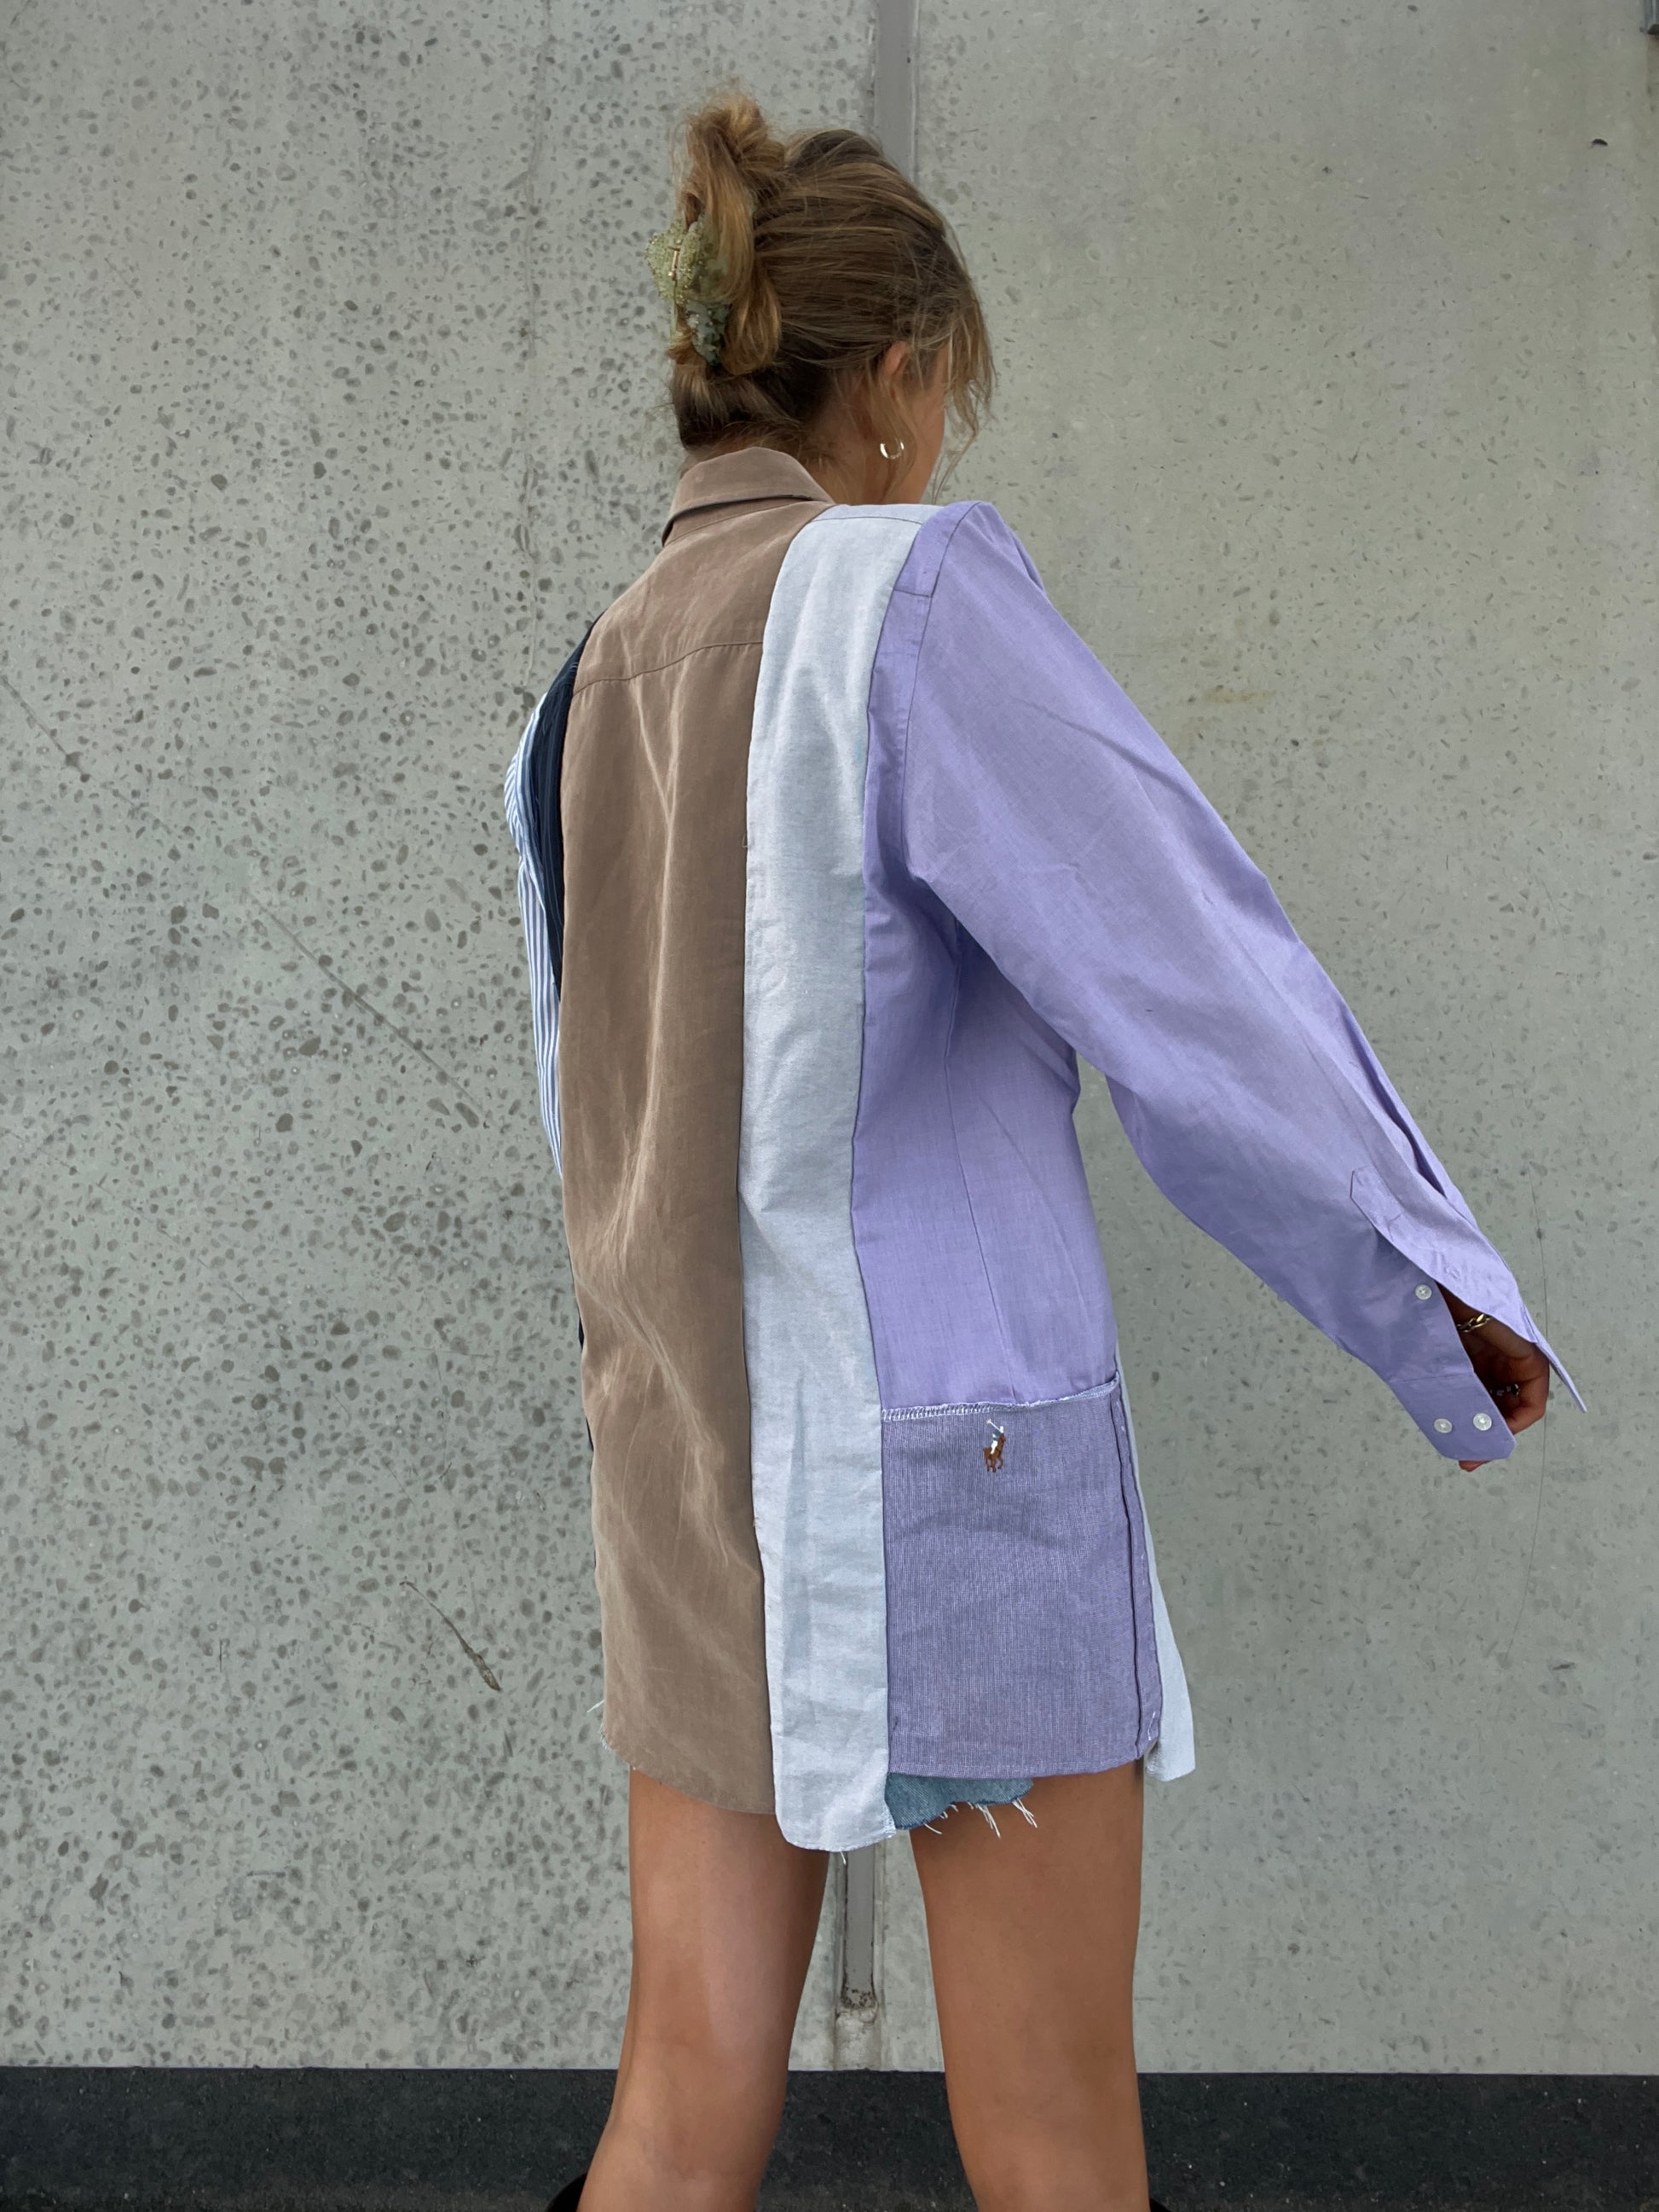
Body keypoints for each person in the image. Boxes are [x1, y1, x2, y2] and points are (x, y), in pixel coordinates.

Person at [502, 90, 1581, 2212]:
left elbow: (595, 1116)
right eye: (949, 395)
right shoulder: (906, 597)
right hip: (965, 1477)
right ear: (901, 378)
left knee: (680, 2110)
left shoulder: (585, 681)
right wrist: (1433, 1300)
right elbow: (1187, 976)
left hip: (694, 1474)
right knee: (1056, 2135)